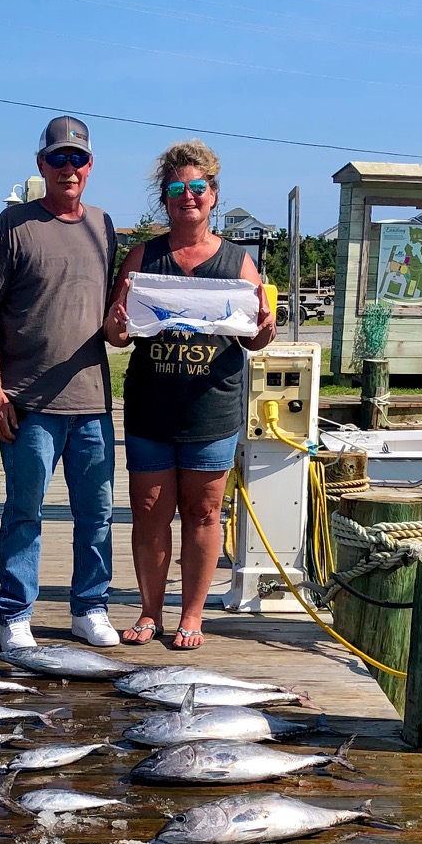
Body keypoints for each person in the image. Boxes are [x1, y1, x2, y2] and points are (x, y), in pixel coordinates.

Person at [104, 140, 275, 650]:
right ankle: (150, 612)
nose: (188, 197)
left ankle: (192, 617)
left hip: (212, 408)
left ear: (214, 195)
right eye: (177, 189)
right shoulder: (142, 256)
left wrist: (266, 327)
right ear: (165, 198)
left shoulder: (238, 262)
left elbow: (254, 337)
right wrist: (114, 325)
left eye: (198, 188)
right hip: (151, 409)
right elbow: (118, 333)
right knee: (149, 510)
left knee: (204, 514)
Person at [0, 116, 120, 651]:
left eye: (76, 158)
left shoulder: (104, 225)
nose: (68, 168)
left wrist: (121, 329)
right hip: (29, 401)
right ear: (40, 165)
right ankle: (15, 613)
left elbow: (109, 315)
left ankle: (90, 606)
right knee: (24, 511)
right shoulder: (13, 224)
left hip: (92, 401)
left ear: (90, 164)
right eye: (57, 158)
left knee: (97, 513)